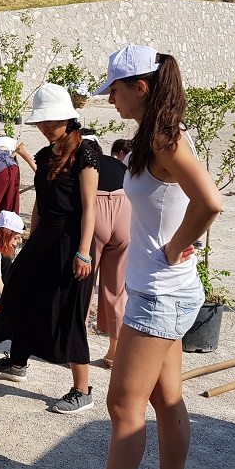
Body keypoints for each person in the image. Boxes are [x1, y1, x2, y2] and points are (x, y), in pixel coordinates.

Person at [44, 44, 222, 469]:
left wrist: (176, 244)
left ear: (141, 88)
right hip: (166, 291)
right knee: (166, 400)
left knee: (123, 403)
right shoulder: (153, 137)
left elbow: (210, 201)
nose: (112, 99)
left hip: (160, 294)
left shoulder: (165, 140)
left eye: (116, 90)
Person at [0, 83, 99, 415]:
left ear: (68, 118)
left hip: (72, 238)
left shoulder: (86, 153)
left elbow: (90, 207)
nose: (46, 128)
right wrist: (31, 241)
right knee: (20, 292)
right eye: (42, 122)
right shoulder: (45, 155)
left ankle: (82, 389)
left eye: (52, 121)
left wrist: (84, 252)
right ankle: (17, 361)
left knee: (68, 310)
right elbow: (39, 203)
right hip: (44, 236)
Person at [91, 141, 131, 370]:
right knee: (117, 289)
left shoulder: (82, 163)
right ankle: (114, 353)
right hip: (124, 208)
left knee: (84, 284)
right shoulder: (118, 164)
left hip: (95, 209)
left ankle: (76, 350)